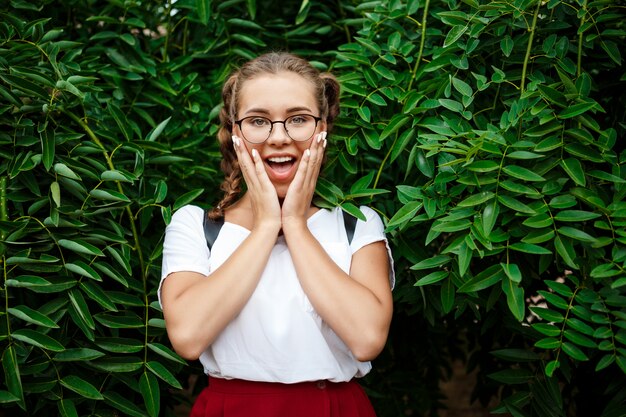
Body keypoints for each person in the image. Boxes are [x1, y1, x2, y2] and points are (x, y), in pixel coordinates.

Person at [159, 52, 395, 417]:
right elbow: (188, 336)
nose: (279, 137)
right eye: (258, 121)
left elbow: (366, 339)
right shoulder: (195, 225)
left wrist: (296, 226)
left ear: (322, 128)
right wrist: (268, 225)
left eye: (298, 119)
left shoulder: (356, 224)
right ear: (236, 131)